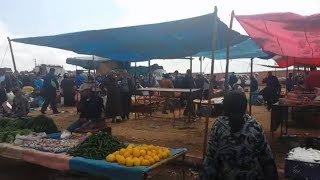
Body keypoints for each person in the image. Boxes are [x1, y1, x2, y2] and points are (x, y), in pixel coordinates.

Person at [202, 91, 278, 180]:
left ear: (225, 107)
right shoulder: (255, 126)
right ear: (245, 107)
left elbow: (210, 159)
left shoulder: (219, 126)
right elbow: (267, 159)